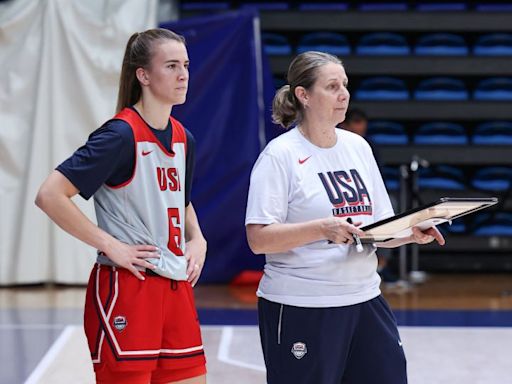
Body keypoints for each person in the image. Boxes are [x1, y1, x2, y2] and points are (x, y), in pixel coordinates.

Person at [245, 51, 445, 384]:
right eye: (333, 86)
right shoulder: (280, 155)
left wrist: (410, 231)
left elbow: (376, 228)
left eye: (346, 85)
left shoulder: (358, 147)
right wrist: (321, 229)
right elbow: (258, 238)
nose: (344, 95)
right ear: (304, 95)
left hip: (365, 299)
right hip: (302, 304)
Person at [35, 28, 207, 384]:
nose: (183, 74)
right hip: (128, 287)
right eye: (171, 65)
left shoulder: (183, 137)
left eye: (186, 65)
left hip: (176, 289)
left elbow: (180, 200)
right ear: (143, 75)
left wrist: (198, 238)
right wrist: (111, 245)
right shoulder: (119, 135)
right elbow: (50, 195)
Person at [342, 107, 398, 283]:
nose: (360, 128)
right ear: (345, 124)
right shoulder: (337, 143)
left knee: (391, 204)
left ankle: (381, 265)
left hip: (365, 193)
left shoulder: (368, 145)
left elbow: (377, 177)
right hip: (342, 193)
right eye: (356, 122)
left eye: (362, 123)